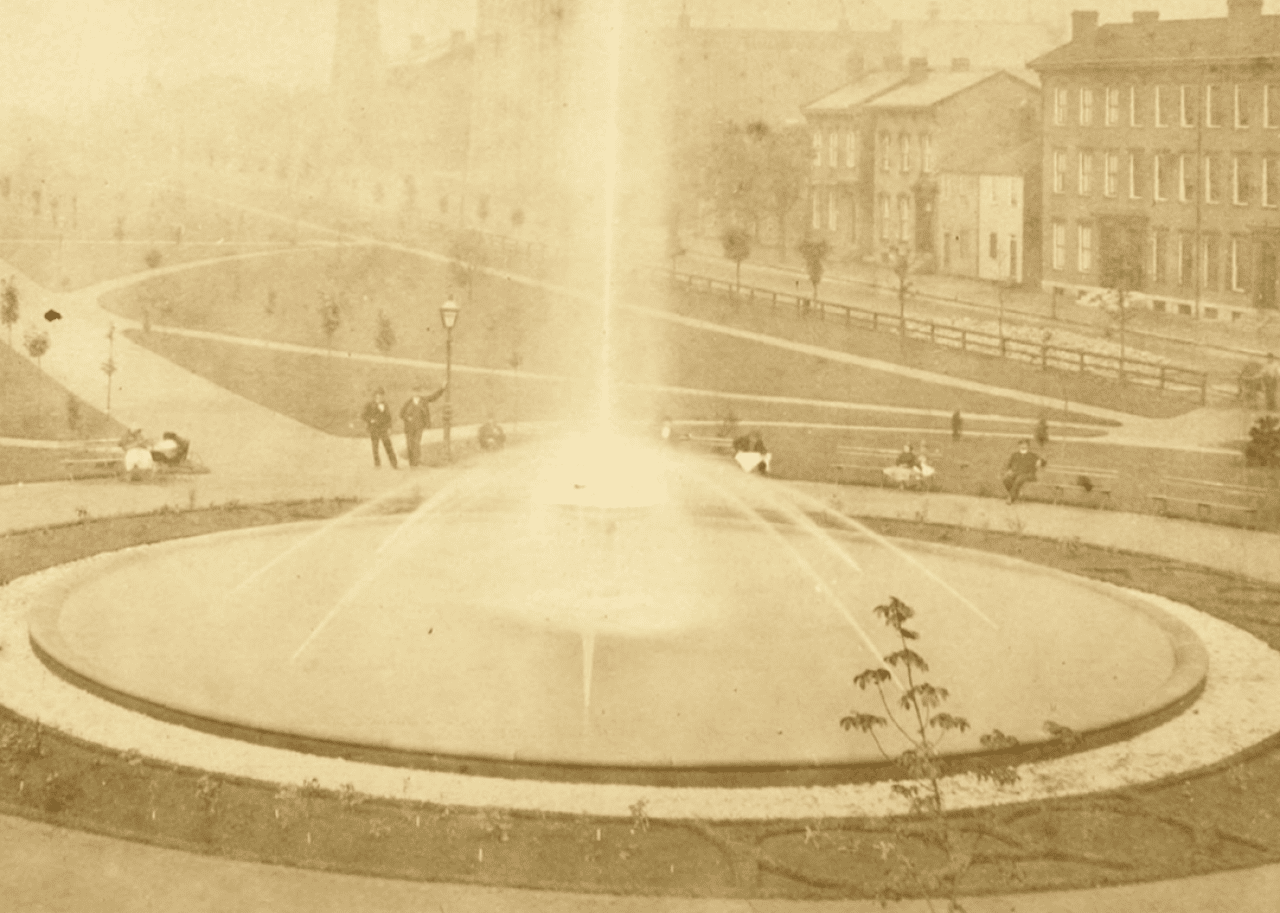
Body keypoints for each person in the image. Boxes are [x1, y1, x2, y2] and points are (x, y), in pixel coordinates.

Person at [400, 384, 446, 467]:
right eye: (414, 391)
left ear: (420, 392)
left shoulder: (423, 400)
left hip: (419, 426)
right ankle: (412, 463)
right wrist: (407, 417)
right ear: (412, 393)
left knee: (416, 443)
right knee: (410, 445)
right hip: (409, 427)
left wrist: (442, 389)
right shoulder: (408, 402)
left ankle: (416, 462)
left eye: (417, 391)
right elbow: (401, 414)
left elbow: (433, 397)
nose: (416, 393)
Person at [362, 388, 398, 469]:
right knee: (375, 447)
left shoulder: (385, 405)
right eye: (378, 396)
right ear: (375, 396)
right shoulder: (369, 405)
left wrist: (389, 427)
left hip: (383, 428)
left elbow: (388, 417)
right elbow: (363, 415)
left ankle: (394, 463)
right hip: (374, 428)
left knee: (388, 445)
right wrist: (370, 420)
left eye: (381, 396)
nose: (380, 398)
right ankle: (377, 463)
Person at [1002, 439, 1046, 504]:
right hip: (1016, 473)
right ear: (1019, 445)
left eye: (1025, 444)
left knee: (1019, 479)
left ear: (1028, 445)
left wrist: (1040, 461)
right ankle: (1016, 493)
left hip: (1029, 474)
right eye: (1021, 444)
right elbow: (1009, 465)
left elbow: (1043, 463)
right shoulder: (1015, 455)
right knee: (1006, 479)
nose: (1023, 446)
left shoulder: (1032, 455)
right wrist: (1009, 470)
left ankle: (1011, 498)